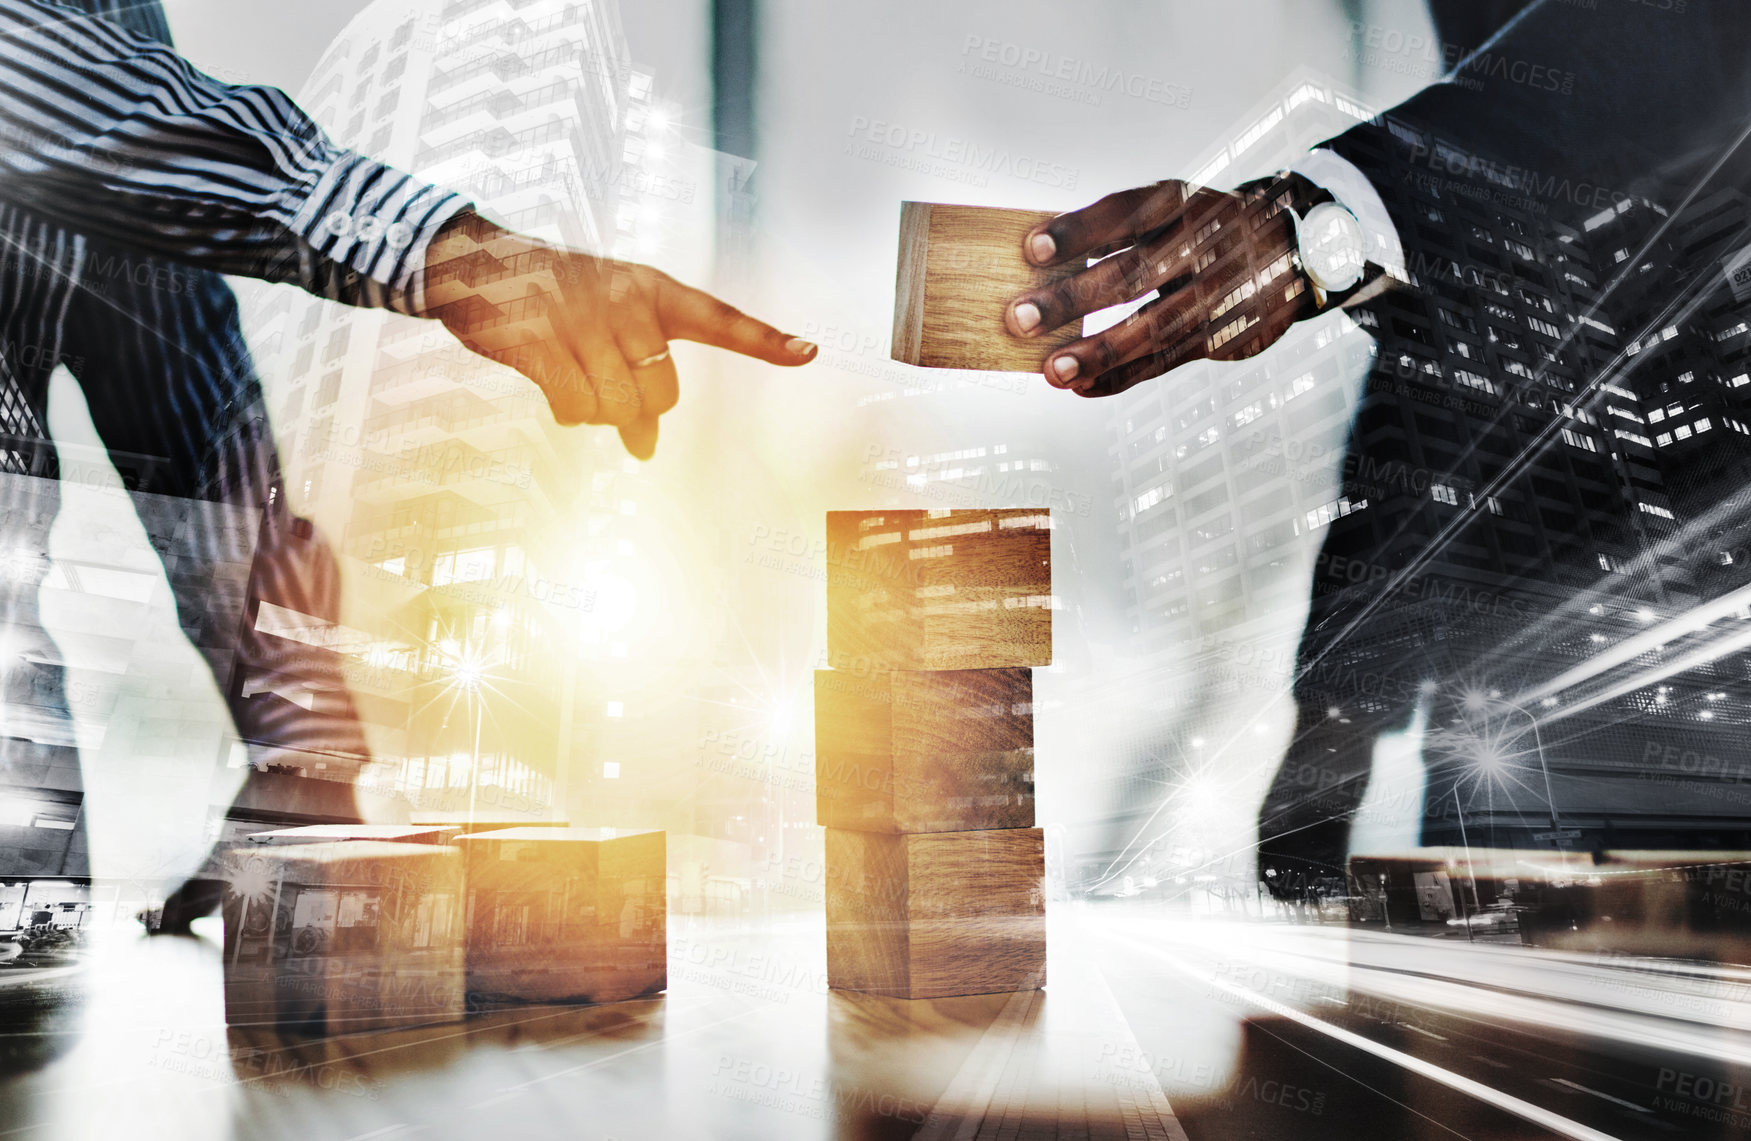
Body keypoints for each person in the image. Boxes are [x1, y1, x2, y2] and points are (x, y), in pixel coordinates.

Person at [0, 0, 814, 927]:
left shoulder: (111, 196)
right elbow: (43, 85)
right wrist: (452, 250)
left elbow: (219, 484)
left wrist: (302, 763)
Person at [1004, 0, 1751, 894]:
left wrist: (1319, 225)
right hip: (1516, 721)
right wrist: (1343, 696)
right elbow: (1460, 345)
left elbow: (1679, 52)